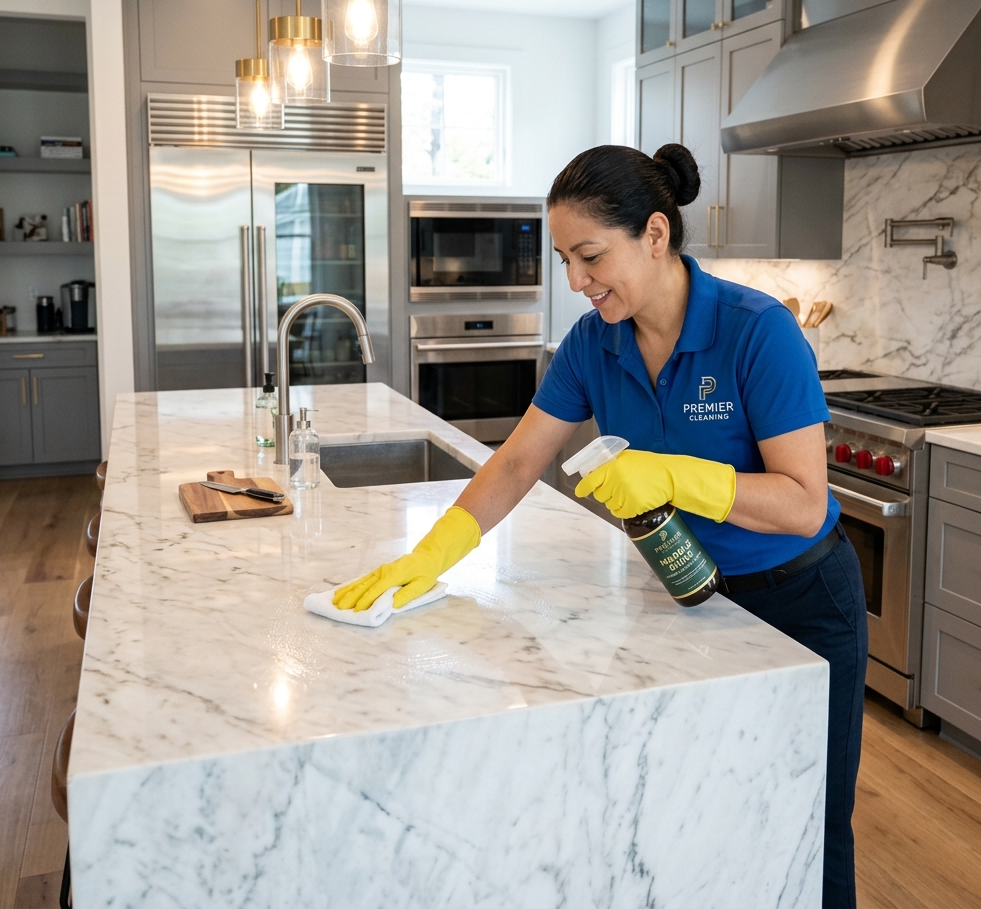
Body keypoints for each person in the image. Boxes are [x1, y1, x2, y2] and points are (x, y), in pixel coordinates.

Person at [334, 143, 868, 909]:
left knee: (809, 819)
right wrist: (434, 552)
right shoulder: (595, 343)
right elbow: (518, 462)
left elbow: (804, 503)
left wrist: (676, 475)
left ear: (655, 234)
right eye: (564, 260)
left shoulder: (756, 331)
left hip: (802, 601)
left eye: (590, 256)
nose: (578, 282)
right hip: (692, 602)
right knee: (703, 809)